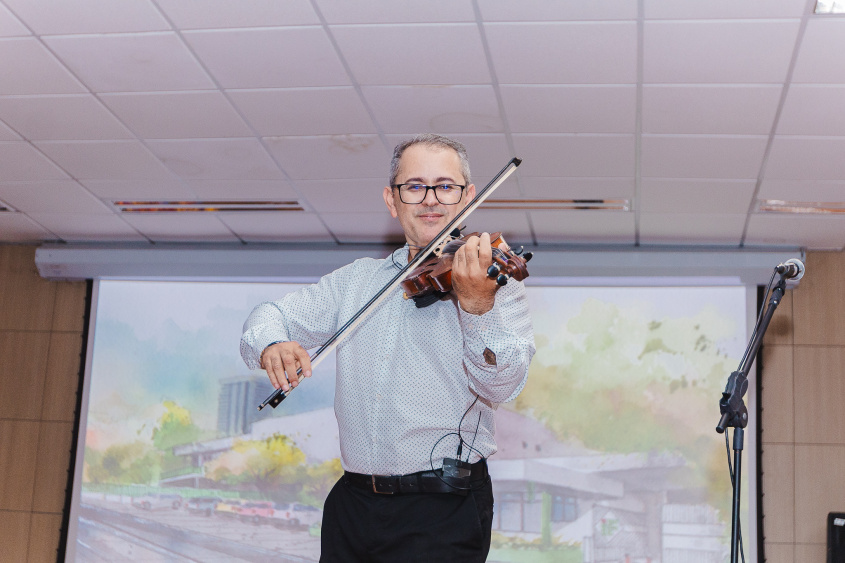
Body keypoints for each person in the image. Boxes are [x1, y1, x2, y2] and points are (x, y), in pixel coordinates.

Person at [240, 134, 535, 562]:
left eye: (445, 186)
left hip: (442, 506)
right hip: (353, 503)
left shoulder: (493, 283)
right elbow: (268, 315)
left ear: (468, 197)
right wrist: (272, 344)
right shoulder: (355, 281)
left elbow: (503, 383)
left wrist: (477, 308)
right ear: (391, 200)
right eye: (414, 186)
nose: (430, 199)